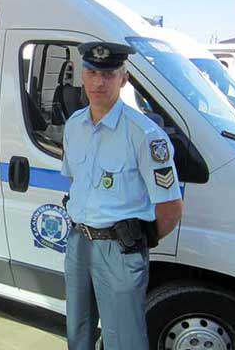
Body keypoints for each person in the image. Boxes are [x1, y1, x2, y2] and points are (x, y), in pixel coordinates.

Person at [61, 42, 183, 349]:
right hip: (78, 241)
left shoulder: (144, 134)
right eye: (92, 73)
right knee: (78, 331)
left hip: (120, 249)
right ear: (82, 76)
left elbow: (170, 208)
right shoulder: (74, 125)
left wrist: (134, 238)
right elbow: (77, 181)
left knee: (124, 339)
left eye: (108, 74)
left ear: (123, 79)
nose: (99, 82)